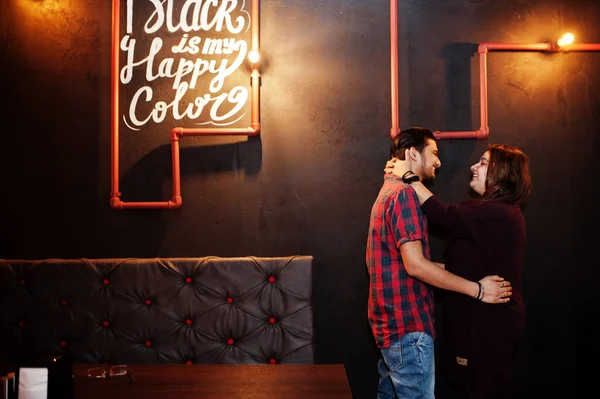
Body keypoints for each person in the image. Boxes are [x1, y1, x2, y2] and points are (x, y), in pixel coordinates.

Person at [366, 127, 512, 399]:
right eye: (433, 153)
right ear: (412, 153)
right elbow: (417, 266)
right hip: (408, 326)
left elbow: (408, 263)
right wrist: (478, 290)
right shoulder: (405, 195)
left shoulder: (388, 192)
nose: (438, 162)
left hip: (391, 325)